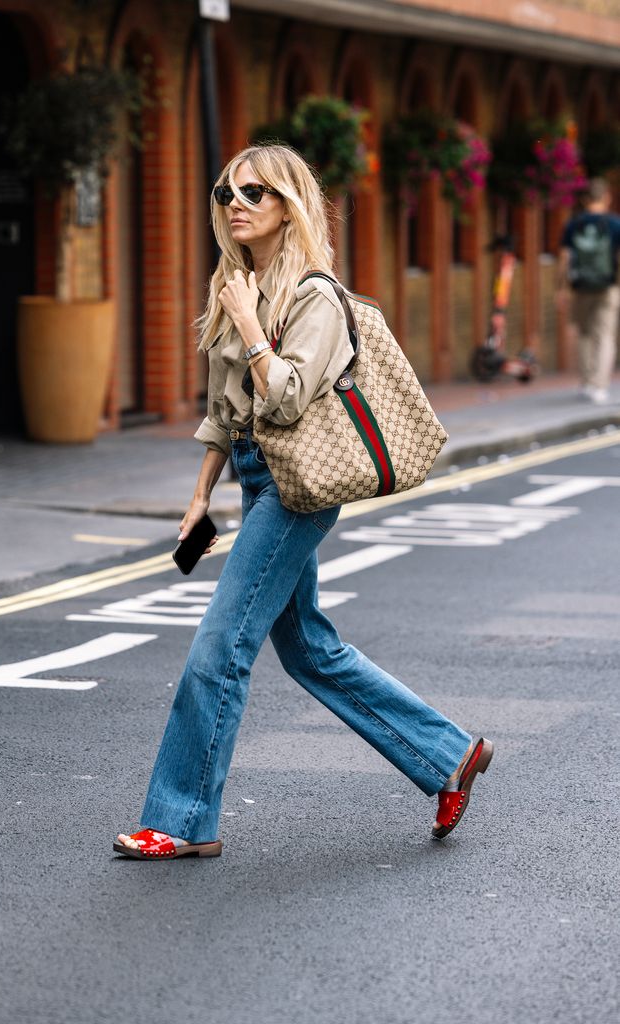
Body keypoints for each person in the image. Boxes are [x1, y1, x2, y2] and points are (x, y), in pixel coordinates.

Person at [114, 144, 493, 861]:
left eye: (254, 193)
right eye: (227, 192)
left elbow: (284, 400)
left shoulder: (314, 296)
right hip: (256, 477)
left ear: (288, 205)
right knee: (311, 651)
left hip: (301, 487)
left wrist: (254, 325)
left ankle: (183, 819)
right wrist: (199, 495)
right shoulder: (234, 282)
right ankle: (449, 755)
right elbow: (225, 411)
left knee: (219, 647)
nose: (235, 204)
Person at [558, 178, 620, 405]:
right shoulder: (615, 225)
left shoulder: (574, 225)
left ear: (585, 200)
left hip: (580, 287)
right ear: (606, 197)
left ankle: (586, 383)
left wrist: (562, 288)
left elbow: (565, 259)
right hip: (608, 287)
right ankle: (599, 386)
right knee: (604, 336)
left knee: (584, 334)